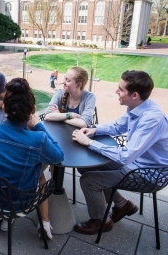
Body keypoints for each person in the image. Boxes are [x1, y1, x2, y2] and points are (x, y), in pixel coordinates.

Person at [72, 70, 168, 235]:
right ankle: (123, 205)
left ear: (135, 95)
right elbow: (117, 126)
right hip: (134, 161)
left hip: (148, 173)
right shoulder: (138, 106)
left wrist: (89, 143)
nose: (116, 91)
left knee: (89, 180)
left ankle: (101, 221)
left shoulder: (152, 118)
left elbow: (126, 155)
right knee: (86, 165)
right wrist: (93, 130)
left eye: (121, 89)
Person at [0, 78, 64, 239]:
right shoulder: (38, 139)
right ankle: (44, 222)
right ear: (32, 110)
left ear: (4, 107)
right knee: (39, 169)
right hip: (18, 204)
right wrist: (38, 125)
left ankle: (4, 218)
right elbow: (58, 157)